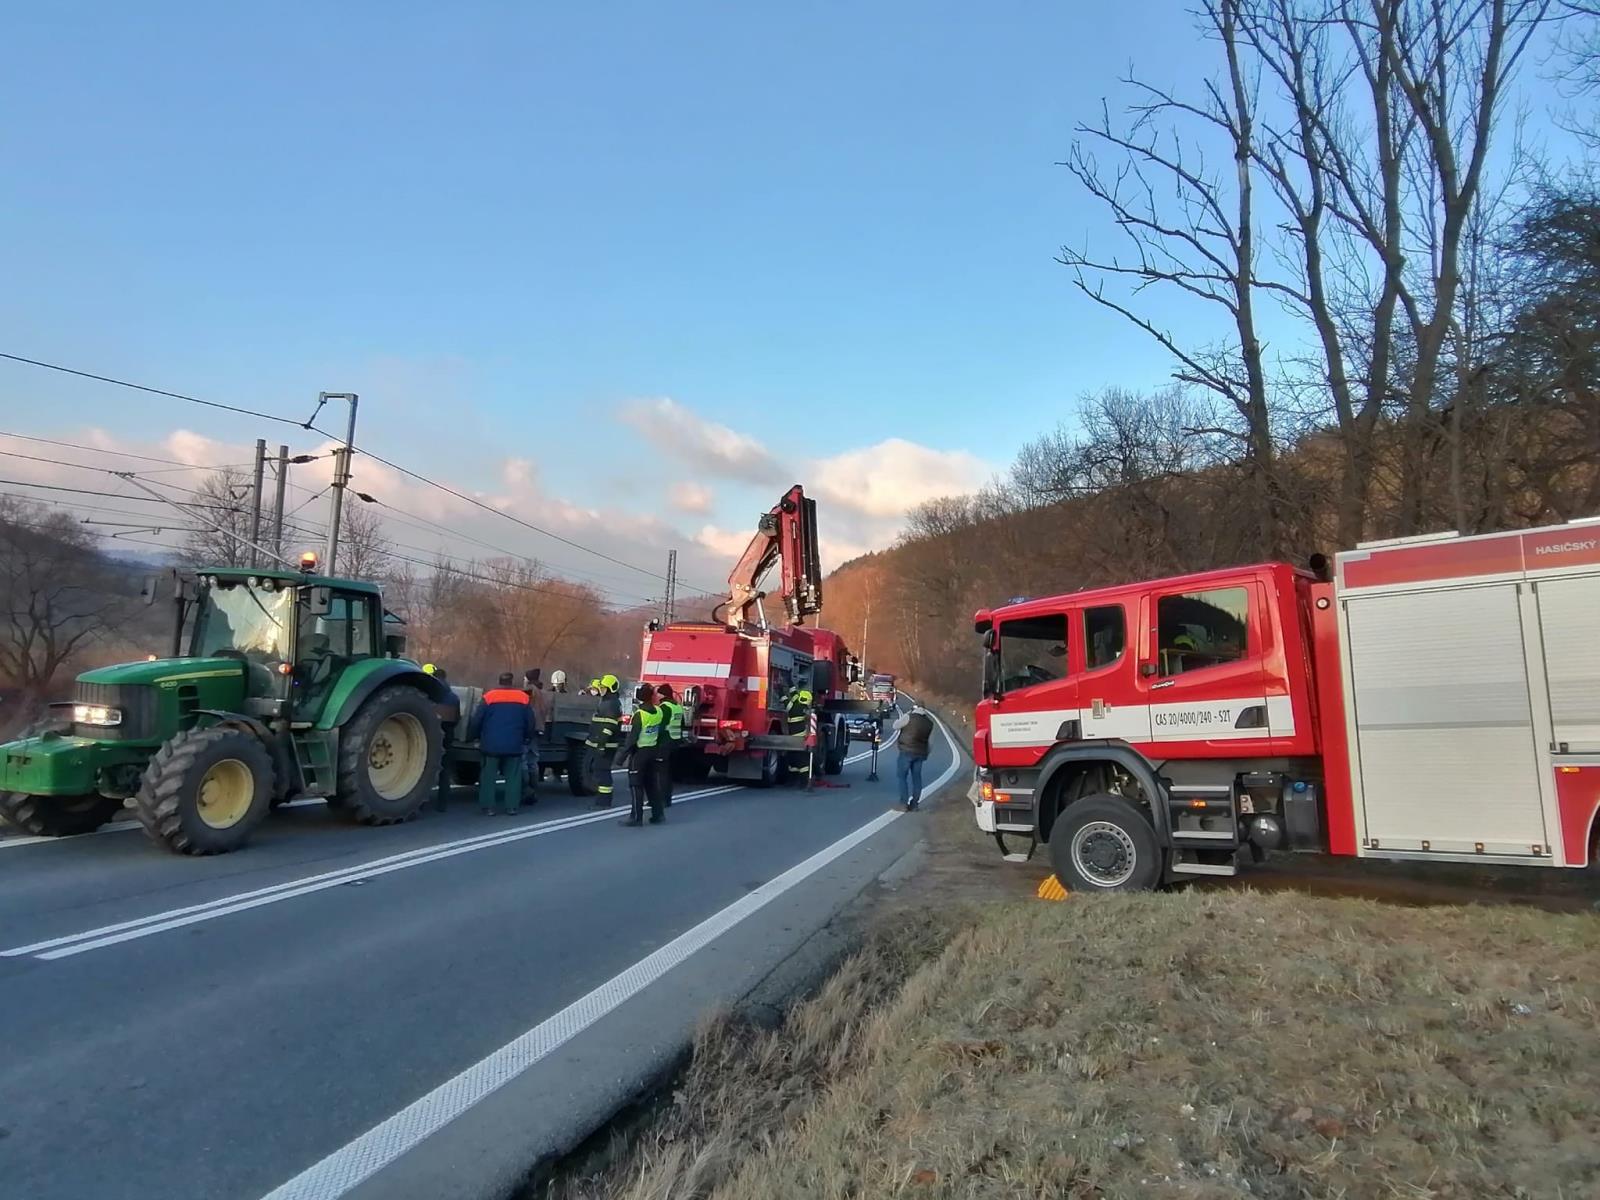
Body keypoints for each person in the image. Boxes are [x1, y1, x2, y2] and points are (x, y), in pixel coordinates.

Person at [468, 672, 533, 815]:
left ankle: (489, 807)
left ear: (499, 682)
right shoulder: (523, 698)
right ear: (512, 682)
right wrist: (527, 738)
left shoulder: (489, 697)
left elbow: (477, 720)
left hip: (491, 745)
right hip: (514, 745)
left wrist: (474, 737)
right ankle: (512, 806)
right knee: (513, 777)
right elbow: (530, 723)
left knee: (488, 776)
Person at [615, 684, 666, 826]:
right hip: (653, 751)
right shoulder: (658, 711)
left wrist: (621, 758)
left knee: (636, 785)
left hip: (640, 754)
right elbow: (661, 731)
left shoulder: (639, 715)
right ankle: (658, 814)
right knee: (651, 784)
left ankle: (636, 817)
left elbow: (632, 739)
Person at [583, 673, 624, 807]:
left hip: (606, 745)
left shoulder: (611, 704)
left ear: (611, 688)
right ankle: (602, 800)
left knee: (602, 771)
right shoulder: (608, 702)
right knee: (598, 770)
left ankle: (604, 801)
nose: (601, 690)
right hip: (602, 743)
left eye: (603, 688)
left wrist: (601, 744)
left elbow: (609, 726)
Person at [425, 665, 460, 813]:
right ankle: (442, 803)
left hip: (428, 735)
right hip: (447, 734)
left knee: (425, 767)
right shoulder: (453, 697)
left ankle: (422, 801)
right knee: (445, 769)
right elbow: (456, 718)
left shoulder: (428, 692)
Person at [893, 703, 935, 811]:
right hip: (920, 754)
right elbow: (930, 742)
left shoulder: (909, 717)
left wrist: (906, 714)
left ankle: (903, 804)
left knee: (902, 777)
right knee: (917, 778)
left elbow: (895, 725)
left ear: (914, 707)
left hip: (906, 751)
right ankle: (915, 804)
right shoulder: (929, 723)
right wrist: (926, 753)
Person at [655, 683, 686, 807]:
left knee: (661, 773)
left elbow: (661, 726)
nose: (656, 696)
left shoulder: (665, 707)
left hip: (665, 742)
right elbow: (682, 724)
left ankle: (661, 799)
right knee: (668, 773)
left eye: (658, 693)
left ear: (662, 694)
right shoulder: (678, 707)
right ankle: (667, 799)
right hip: (675, 742)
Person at [523, 667, 549, 797]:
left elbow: (523, 703)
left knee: (527, 760)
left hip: (530, 727)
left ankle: (529, 788)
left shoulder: (530, 690)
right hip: (539, 727)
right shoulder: (542, 691)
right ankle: (534, 787)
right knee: (533, 759)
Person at [782, 683, 814, 787]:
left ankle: (800, 782)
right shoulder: (800, 705)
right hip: (798, 737)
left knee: (799, 760)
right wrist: (790, 682)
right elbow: (794, 693)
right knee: (796, 760)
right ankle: (799, 782)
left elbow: (787, 703)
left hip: (797, 737)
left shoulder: (797, 708)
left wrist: (781, 693)